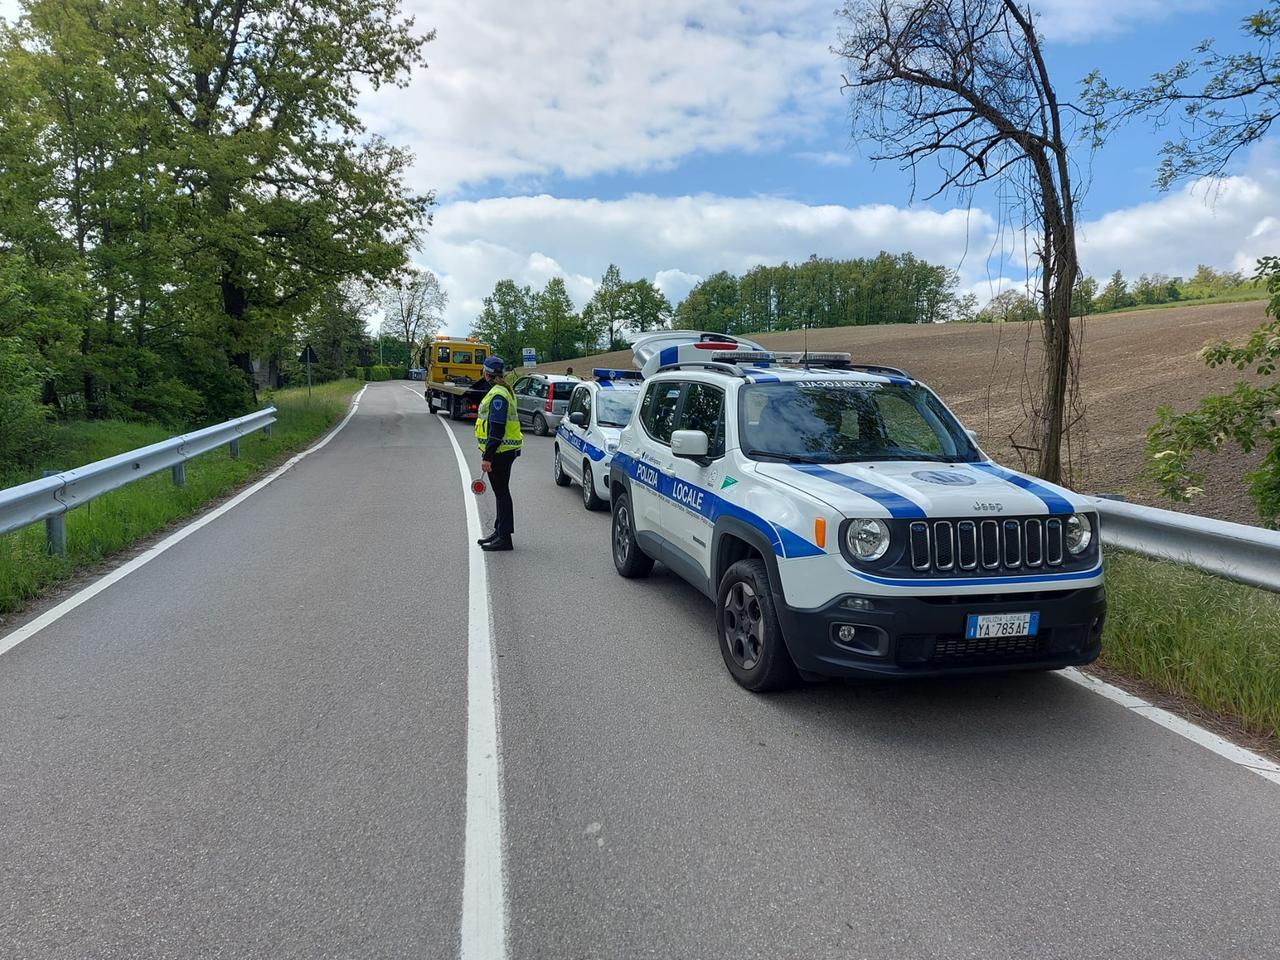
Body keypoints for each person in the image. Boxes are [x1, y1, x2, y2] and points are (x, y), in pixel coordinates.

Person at [475, 356, 523, 551]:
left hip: (500, 452)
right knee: (501, 493)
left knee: (502, 493)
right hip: (505, 451)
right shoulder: (503, 390)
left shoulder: (497, 395)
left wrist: (488, 457)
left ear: (487, 373)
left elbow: (497, 428)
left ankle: (504, 538)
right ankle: (499, 530)